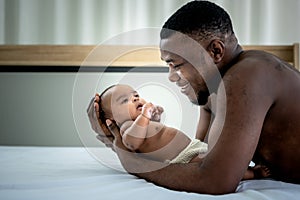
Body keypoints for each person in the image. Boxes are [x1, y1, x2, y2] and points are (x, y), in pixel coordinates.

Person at [88, 0, 300, 194]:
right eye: (168, 65)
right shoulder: (214, 89)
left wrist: (131, 161)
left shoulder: (248, 75)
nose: (171, 76)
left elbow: (215, 180)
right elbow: (204, 157)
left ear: (216, 51)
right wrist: (117, 140)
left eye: (176, 64)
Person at [97, 83, 270, 179]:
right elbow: (132, 142)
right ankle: (251, 174)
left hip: (192, 146)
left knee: (220, 154)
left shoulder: (141, 122)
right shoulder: (127, 126)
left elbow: (151, 132)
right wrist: (144, 115)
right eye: (124, 100)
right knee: (216, 165)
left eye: (135, 94)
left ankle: (244, 163)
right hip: (181, 158)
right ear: (112, 120)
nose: (134, 98)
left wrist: (155, 116)